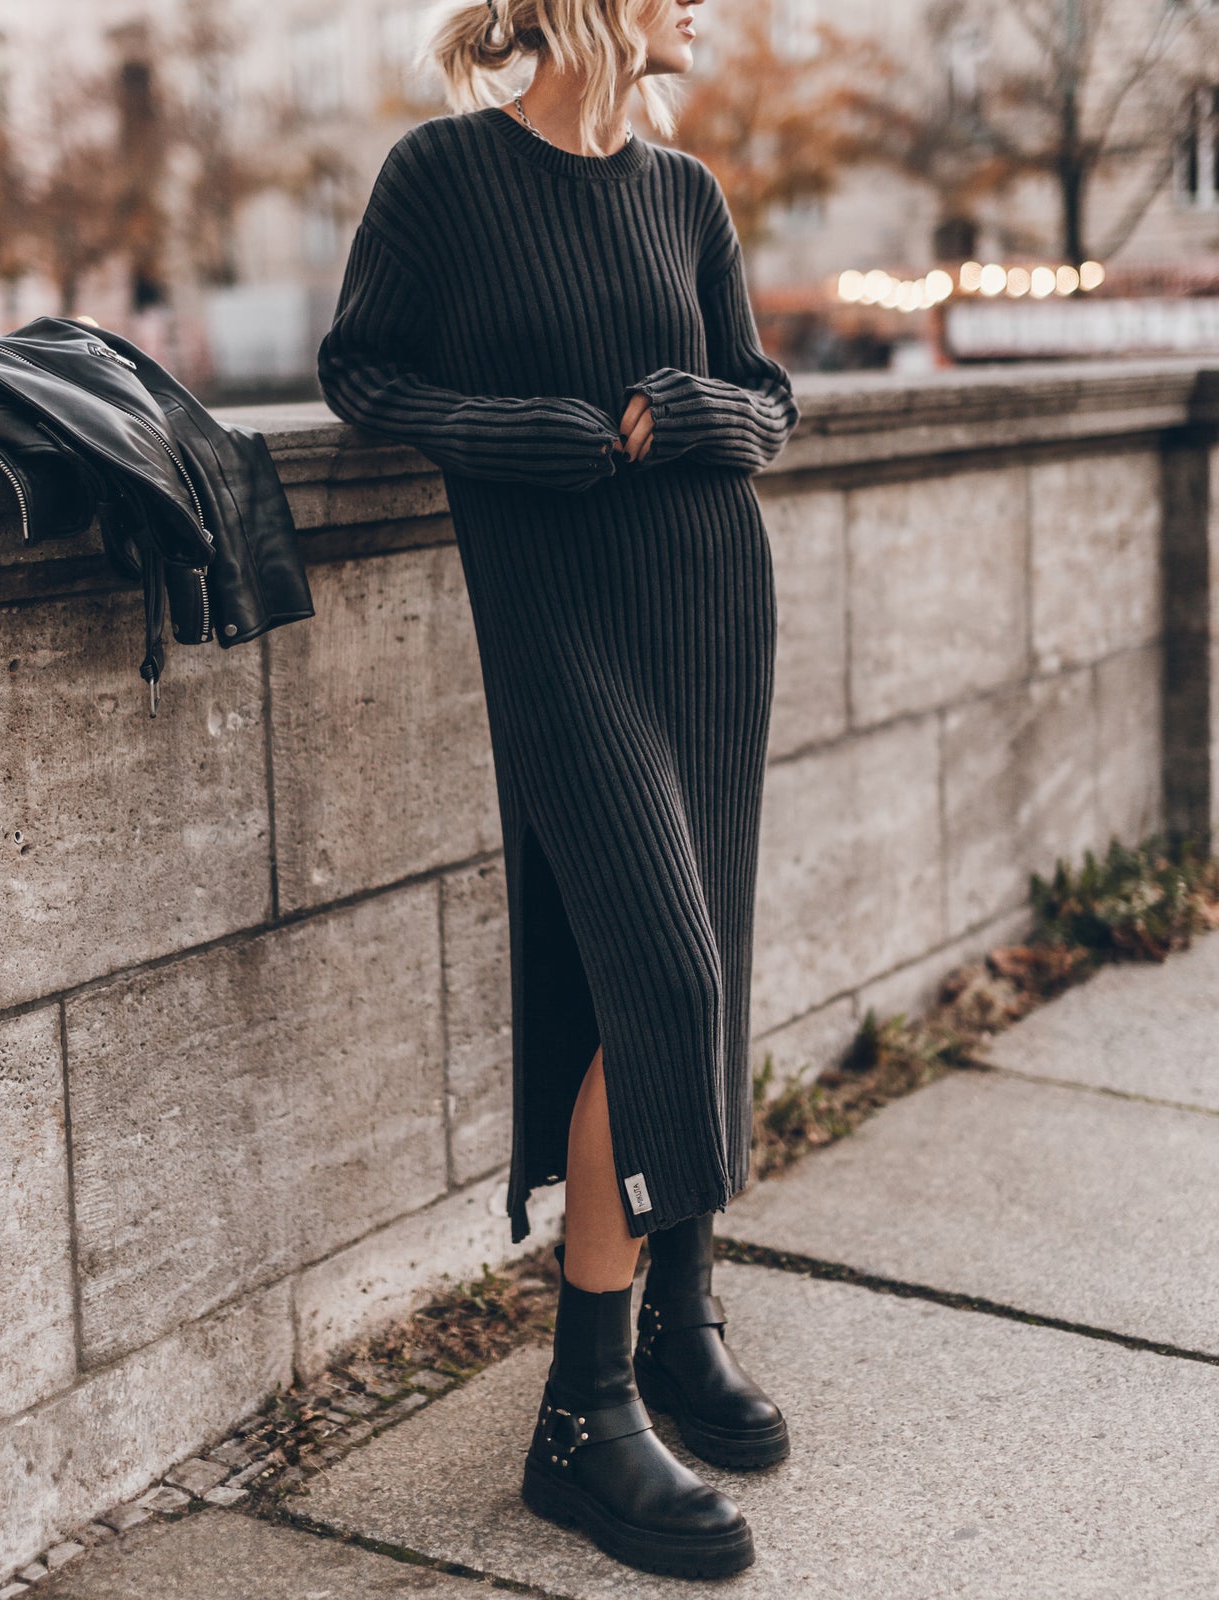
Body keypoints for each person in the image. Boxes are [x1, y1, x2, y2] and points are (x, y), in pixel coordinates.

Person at [317, 0, 800, 1578]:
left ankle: (672, 1326)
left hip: (708, 612)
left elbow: (767, 397)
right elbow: (361, 371)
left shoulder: (688, 194)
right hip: (562, 624)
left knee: (695, 961)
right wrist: (524, 435)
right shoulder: (443, 178)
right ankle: (581, 1419)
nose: (709, 13)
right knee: (658, 969)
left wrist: (698, 414)